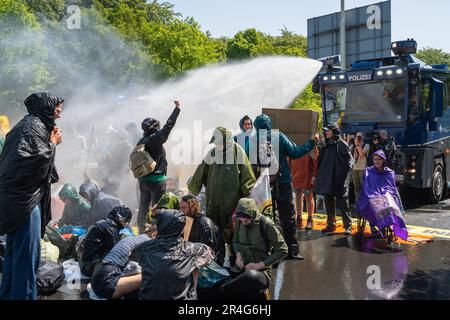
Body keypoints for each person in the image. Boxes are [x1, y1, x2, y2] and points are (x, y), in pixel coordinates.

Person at [0, 93, 63, 300]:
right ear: (46, 108)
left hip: (16, 202)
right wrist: (53, 143)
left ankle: (9, 294)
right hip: (25, 203)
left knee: (14, 254)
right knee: (27, 258)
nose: (59, 113)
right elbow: (34, 164)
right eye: (56, 108)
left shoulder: (26, 126)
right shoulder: (32, 128)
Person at [252, 114, 320, 260]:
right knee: (288, 218)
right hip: (282, 182)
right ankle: (292, 250)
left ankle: (265, 251)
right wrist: (312, 142)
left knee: (263, 217)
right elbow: (296, 153)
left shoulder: (252, 140)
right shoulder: (278, 136)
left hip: (261, 186)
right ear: (269, 124)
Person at [188, 127, 256, 248]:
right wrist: (193, 189)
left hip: (232, 200)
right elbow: (201, 171)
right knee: (213, 228)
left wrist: (246, 196)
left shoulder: (237, 151)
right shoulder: (212, 153)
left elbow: (247, 175)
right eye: (216, 143)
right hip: (213, 199)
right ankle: (215, 255)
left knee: (232, 228)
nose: (218, 146)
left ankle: (234, 256)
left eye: (220, 143)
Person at [137, 209, 214, 300]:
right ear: (181, 226)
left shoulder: (143, 247)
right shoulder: (193, 250)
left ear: (159, 225)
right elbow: (210, 254)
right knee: (194, 264)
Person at [221, 198, 288, 300]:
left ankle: (223, 290)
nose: (243, 221)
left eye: (246, 218)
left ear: (252, 213)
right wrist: (238, 255)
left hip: (260, 273)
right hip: (240, 268)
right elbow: (235, 241)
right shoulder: (240, 222)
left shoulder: (266, 224)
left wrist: (259, 265)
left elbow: (283, 250)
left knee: (250, 276)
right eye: (241, 218)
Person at [137, 101, 181, 233]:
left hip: (143, 180)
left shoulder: (142, 141)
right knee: (158, 208)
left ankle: (141, 231)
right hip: (157, 181)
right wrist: (177, 109)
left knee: (143, 206)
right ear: (155, 128)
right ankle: (157, 232)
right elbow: (169, 125)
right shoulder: (156, 139)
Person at [90, 228, 156, 300]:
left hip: (97, 276)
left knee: (138, 270)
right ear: (154, 234)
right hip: (106, 283)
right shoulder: (149, 242)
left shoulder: (134, 238)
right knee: (153, 276)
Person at [357, 150, 408, 241]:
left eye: (379, 159)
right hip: (371, 195)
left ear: (383, 160)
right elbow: (367, 186)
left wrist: (384, 195)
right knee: (372, 204)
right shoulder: (369, 171)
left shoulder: (389, 172)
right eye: (374, 159)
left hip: (386, 196)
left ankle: (386, 226)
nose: (376, 161)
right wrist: (374, 195)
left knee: (387, 204)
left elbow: (391, 187)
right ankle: (375, 227)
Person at [315, 123, 354, 235]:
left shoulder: (342, 144)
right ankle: (331, 225)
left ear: (334, 131)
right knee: (329, 202)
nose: (326, 132)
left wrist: (344, 178)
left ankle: (348, 226)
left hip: (339, 180)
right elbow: (320, 161)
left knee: (343, 203)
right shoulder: (326, 145)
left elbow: (350, 162)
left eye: (328, 130)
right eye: (325, 130)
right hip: (328, 180)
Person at [79, 206, 133, 277]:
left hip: (86, 265)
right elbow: (115, 252)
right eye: (126, 221)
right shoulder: (110, 228)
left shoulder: (106, 223)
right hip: (90, 268)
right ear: (120, 218)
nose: (126, 224)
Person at [180, 195, 225, 266]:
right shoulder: (187, 220)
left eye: (184, 208)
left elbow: (208, 252)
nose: (181, 211)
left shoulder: (205, 224)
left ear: (193, 208)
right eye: (180, 207)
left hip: (210, 264)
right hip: (193, 260)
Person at [288, 145, 319, 231]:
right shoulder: (293, 143)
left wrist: (314, 175)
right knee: (298, 196)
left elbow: (315, 161)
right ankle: (299, 218)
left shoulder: (311, 145)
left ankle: (310, 219)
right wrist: (289, 171)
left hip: (307, 174)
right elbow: (290, 158)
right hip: (295, 173)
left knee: (308, 196)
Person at [351, 132, 370, 205]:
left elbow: (361, 154)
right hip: (355, 169)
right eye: (357, 137)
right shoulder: (353, 146)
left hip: (362, 168)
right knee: (356, 188)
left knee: (363, 187)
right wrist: (349, 141)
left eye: (360, 137)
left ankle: (364, 203)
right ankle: (358, 203)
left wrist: (358, 145)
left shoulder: (366, 145)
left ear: (362, 138)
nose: (358, 138)